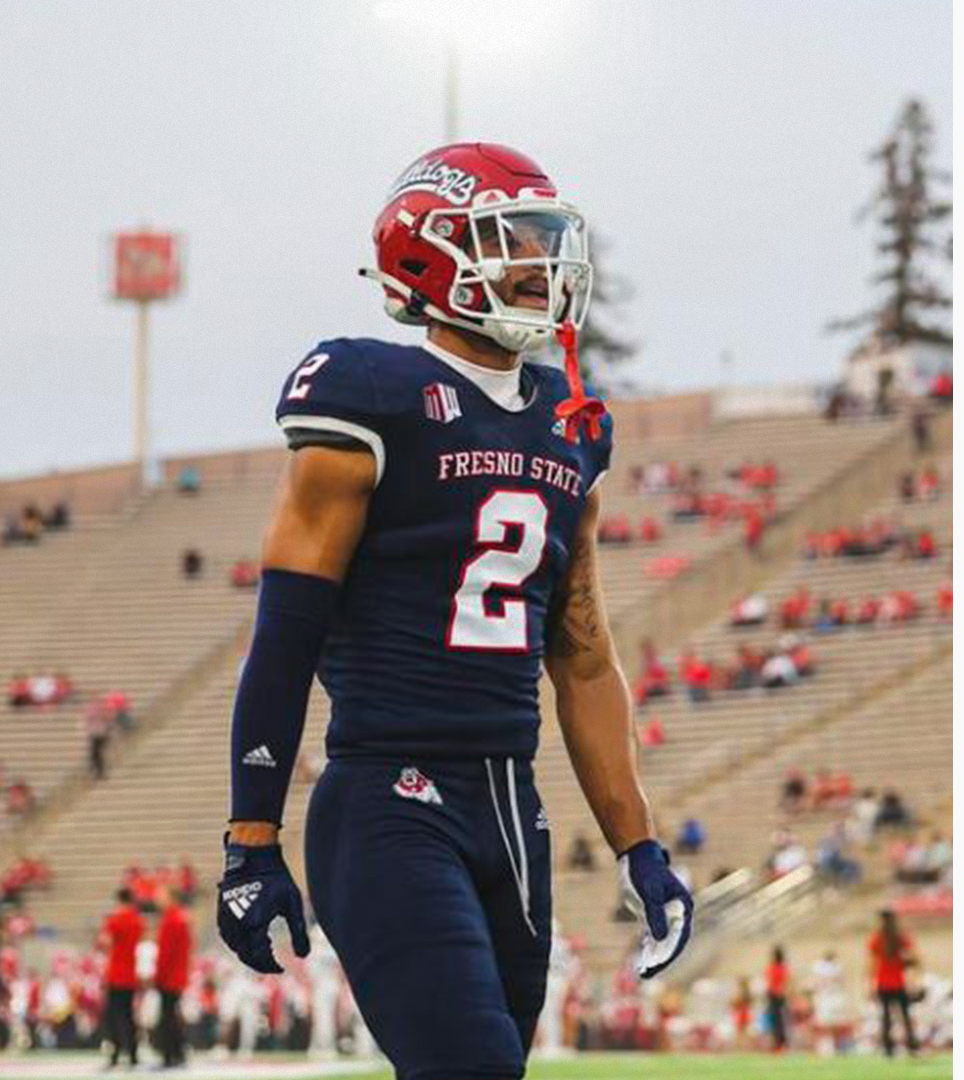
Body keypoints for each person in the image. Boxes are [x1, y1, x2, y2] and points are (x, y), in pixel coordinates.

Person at [216, 142, 693, 1080]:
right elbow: (285, 632)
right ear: (432, 257)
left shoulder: (570, 424)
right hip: (389, 796)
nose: (537, 263)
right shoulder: (370, 392)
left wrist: (640, 847)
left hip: (512, 808)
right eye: (511, 239)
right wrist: (249, 840)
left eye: (542, 241)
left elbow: (585, 659)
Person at [97, 889, 143, 1068]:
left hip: (115, 974)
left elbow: (104, 942)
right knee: (129, 1016)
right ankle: (132, 1054)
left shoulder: (114, 920)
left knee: (113, 1017)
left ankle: (115, 1054)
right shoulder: (137, 920)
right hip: (130, 974)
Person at [870, 909, 918, 1057]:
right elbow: (914, 958)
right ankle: (911, 1046)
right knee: (905, 1016)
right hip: (899, 982)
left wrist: (870, 983)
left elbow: (871, 963)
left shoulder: (877, 938)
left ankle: (888, 1048)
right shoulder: (901, 937)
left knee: (886, 1017)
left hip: (883, 982)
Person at [154, 890, 193, 1068]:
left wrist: (159, 975)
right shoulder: (182, 918)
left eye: (161, 896)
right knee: (172, 1015)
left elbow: (166, 953)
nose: (157, 899)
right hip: (177, 975)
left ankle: (169, 1054)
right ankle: (178, 1052)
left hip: (169, 977)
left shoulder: (171, 920)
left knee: (167, 1017)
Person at [764, 946, 790, 1051]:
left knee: (776, 1020)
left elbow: (771, 981)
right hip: (778, 995)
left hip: (775, 995)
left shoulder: (773, 968)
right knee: (778, 1020)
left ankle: (778, 1043)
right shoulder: (782, 968)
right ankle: (779, 1042)